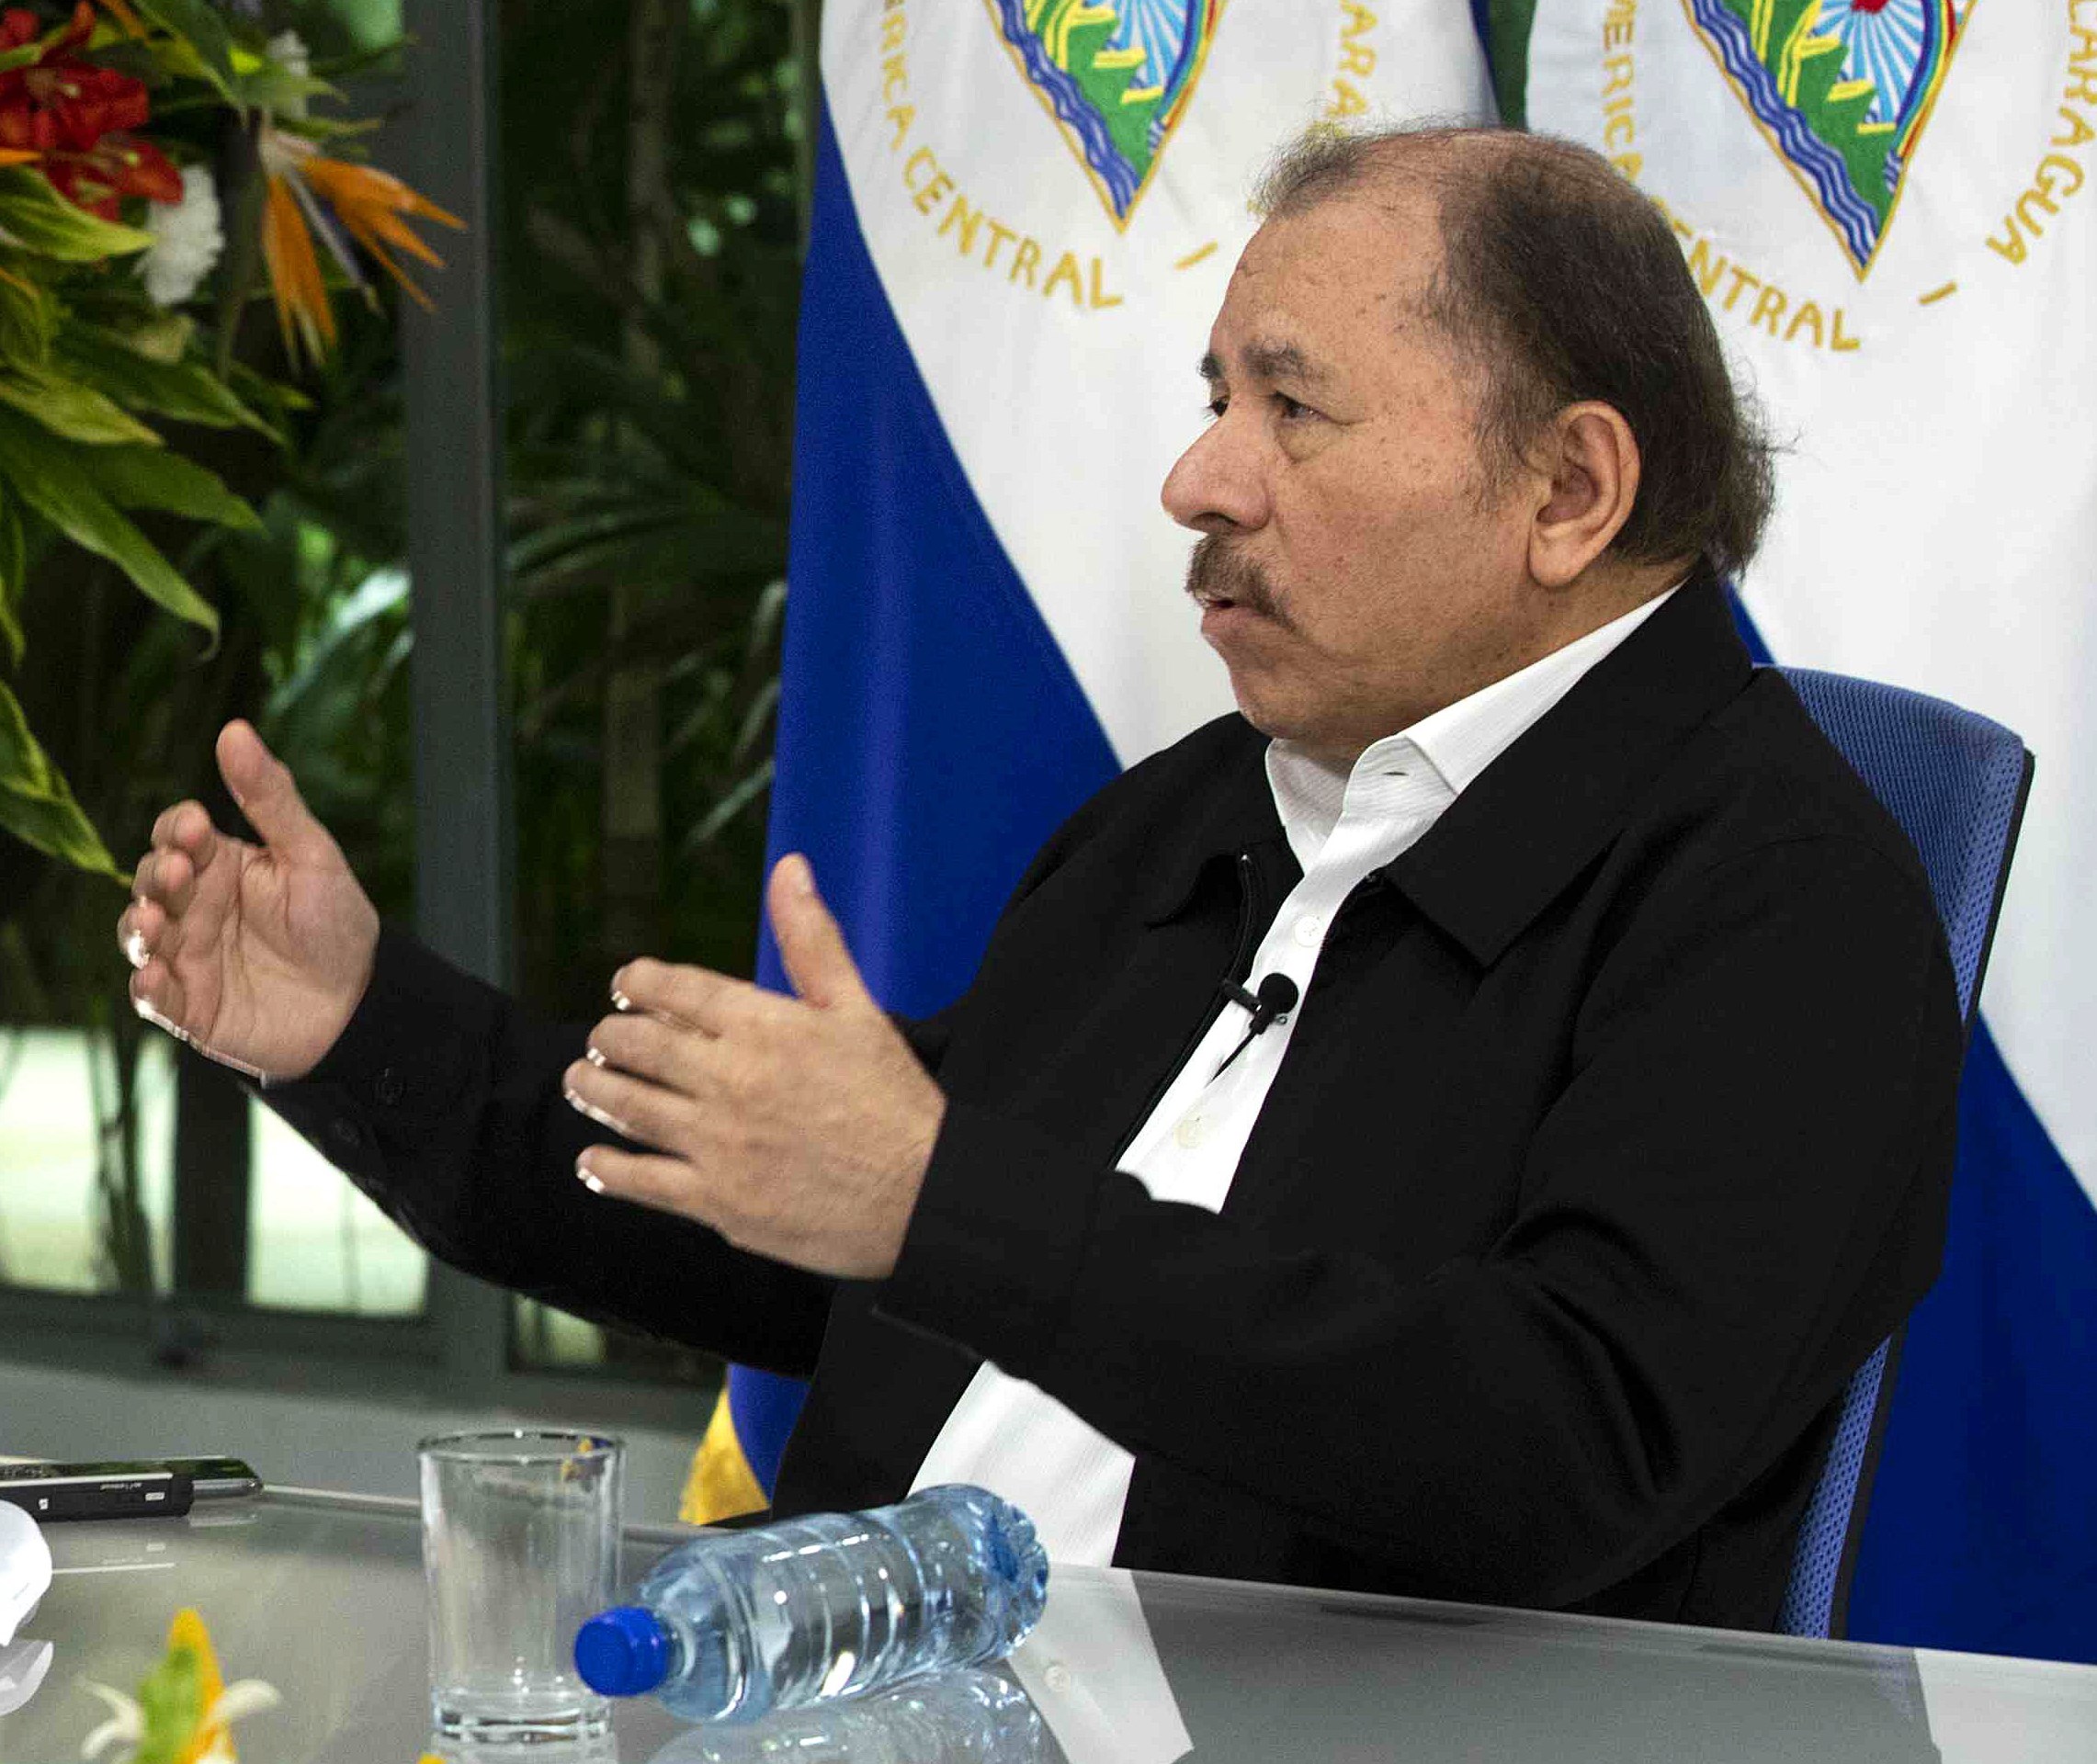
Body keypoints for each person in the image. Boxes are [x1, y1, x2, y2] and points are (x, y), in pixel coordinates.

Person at [115, 126, 1964, 1631]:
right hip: (842, 1690)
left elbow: (1561, 1447)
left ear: (1566, 491)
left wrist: (956, 1209)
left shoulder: (1785, 895)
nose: (1196, 477)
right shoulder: (1187, 823)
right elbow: (823, 1226)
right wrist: (359, 1025)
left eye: (1289, 410)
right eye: (1212, 394)